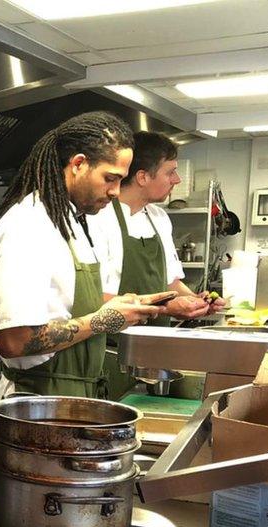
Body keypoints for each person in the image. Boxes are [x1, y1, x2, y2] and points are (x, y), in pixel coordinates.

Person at [0, 111, 170, 398]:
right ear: (79, 164)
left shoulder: (74, 221)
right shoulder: (27, 226)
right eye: (110, 178)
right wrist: (102, 320)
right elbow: (14, 339)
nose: (115, 191)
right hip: (36, 402)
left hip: (74, 396)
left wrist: (123, 305)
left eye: (121, 180)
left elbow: (65, 302)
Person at [90, 131, 225, 399]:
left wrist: (198, 301)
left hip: (155, 351)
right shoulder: (99, 219)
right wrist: (165, 307)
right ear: (142, 177)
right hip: (114, 352)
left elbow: (170, 282)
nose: (177, 180)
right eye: (170, 172)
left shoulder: (159, 218)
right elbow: (93, 297)